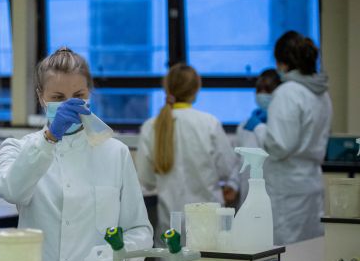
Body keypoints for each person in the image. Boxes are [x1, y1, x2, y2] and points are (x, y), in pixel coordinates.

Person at [0, 47, 153, 261]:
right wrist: (49, 139)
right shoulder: (18, 148)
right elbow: (12, 191)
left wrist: (110, 258)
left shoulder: (115, 153)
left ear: (89, 94)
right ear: (41, 97)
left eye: (78, 95)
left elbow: (139, 230)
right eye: (58, 98)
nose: (68, 104)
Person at [250, 31, 331, 245]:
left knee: (287, 255)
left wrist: (259, 128)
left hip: (288, 189)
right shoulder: (321, 93)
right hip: (310, 182)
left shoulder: (288, 92)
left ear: (283, 64)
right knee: (310, 251)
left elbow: (278, 147)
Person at [135, 64, 239, 232]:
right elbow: (227, 169)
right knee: (211, 258)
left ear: (167, 88)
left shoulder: (150, 126)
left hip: (171, 224)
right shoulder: (209, 123)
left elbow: (146, 179)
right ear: (196, 89)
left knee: (173, 258)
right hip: (209, 223)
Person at [236, 68, 281, 205]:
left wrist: (259, 128)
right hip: (246, 194)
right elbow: (237, 161)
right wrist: (232, 184)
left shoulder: (281, 124)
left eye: (267, 91)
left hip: (273, 195)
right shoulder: (245, 126)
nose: (262, 95)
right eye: (259, 90)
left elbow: (275, 151)